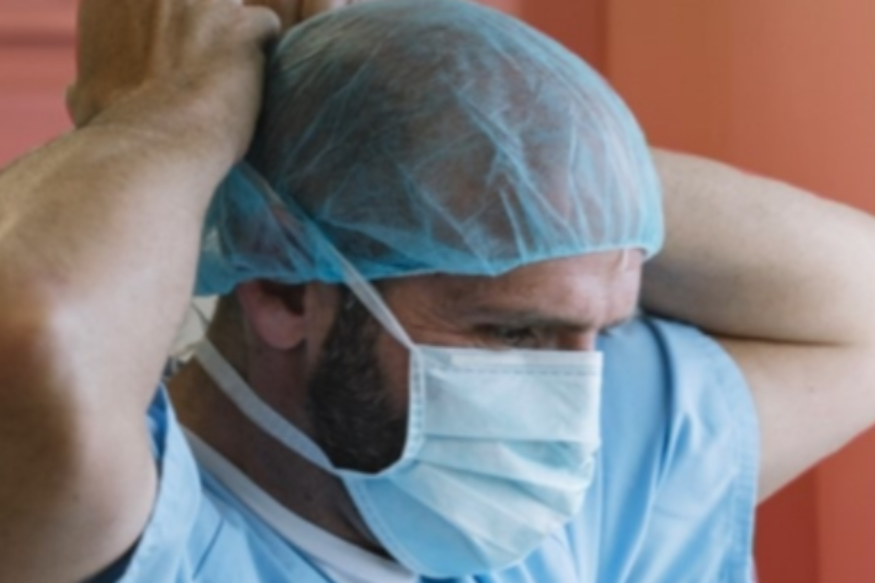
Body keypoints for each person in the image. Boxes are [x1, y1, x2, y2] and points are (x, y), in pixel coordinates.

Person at [1, 0, 874, 582]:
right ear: (284, 289)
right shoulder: (134, 536)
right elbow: (33, 336)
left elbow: (857, 300)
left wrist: (495, 133)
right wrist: (167, 114)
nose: (575, 404)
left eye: (602, 333)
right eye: (512, 335)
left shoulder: (569, 490)